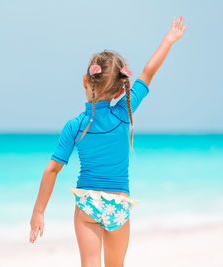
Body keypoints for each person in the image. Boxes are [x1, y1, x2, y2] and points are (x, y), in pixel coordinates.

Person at [29, 15, 187, 267]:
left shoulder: (75, 125)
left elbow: (53, 169)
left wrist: (38, 212)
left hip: (88, 205)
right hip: (119, 204)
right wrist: (169, 40)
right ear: (118, 91)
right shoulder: (125, 112)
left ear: (85, 81)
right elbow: (148, 73)